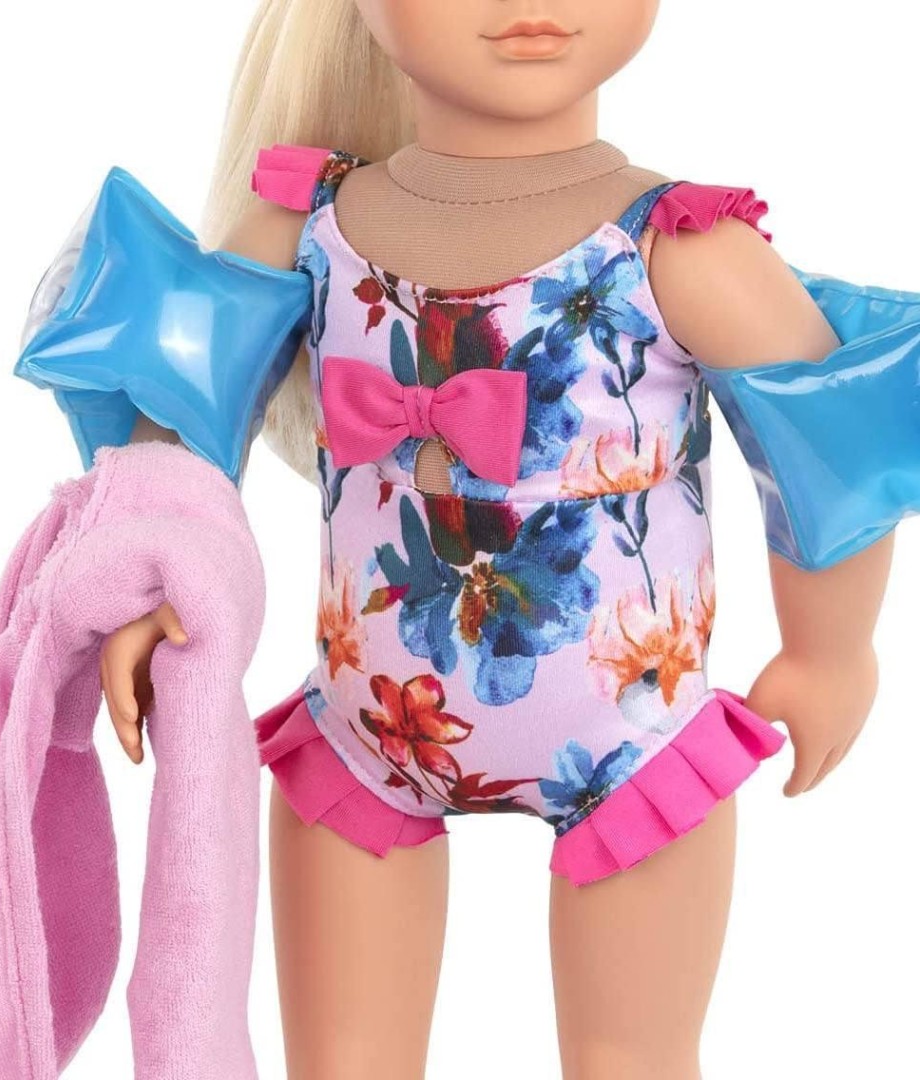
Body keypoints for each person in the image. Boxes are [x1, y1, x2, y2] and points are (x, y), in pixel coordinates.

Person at [98, 3, 895, 1078]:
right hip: (367, 731)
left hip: (633, 740)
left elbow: (826, 436)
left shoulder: (679, 246)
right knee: (342, 1062)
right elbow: (187, 401)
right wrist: (150, 582)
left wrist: (830, 648)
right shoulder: (309, 226)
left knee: (631, 1060)